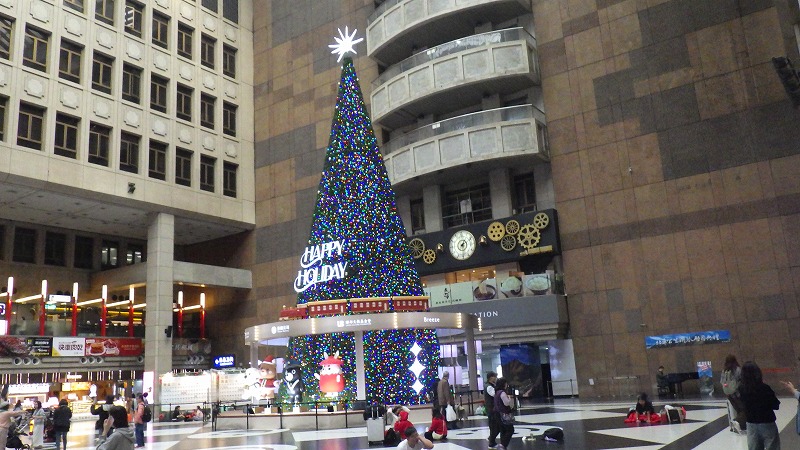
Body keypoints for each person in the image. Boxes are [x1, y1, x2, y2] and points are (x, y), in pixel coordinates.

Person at [737, 361, 780, 450]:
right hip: (767, 422)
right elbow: (776, 405)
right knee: (772, 446)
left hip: (751, 423)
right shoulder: (765, 388)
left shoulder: (742, 389)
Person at [722, 354, 746, 433]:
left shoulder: (724, 371)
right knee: (744, 410)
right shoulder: (738, 369)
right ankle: (737, 421)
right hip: (738, 394)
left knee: (738, 410)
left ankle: (741, 425)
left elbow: (722, 382)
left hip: (729, 394)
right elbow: (742, 381)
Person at [494, 377, 514, 450]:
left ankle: (502, 446)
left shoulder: (496, 392)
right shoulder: (502, 393)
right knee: (510, 430)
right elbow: (506, 403)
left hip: (497, 413)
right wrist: (509, 398)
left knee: (503, 430)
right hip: (504, 413)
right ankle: (503, 444)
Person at [484, 371, 500, 449]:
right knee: (494, 426)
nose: (496, 378)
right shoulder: (489, 387)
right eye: (495, 377)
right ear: (491, 378)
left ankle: (491, 440)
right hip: (492, 409)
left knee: (495, 426)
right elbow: (495, 395)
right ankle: (491, 442)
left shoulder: (491, 386)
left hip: (493, 409)